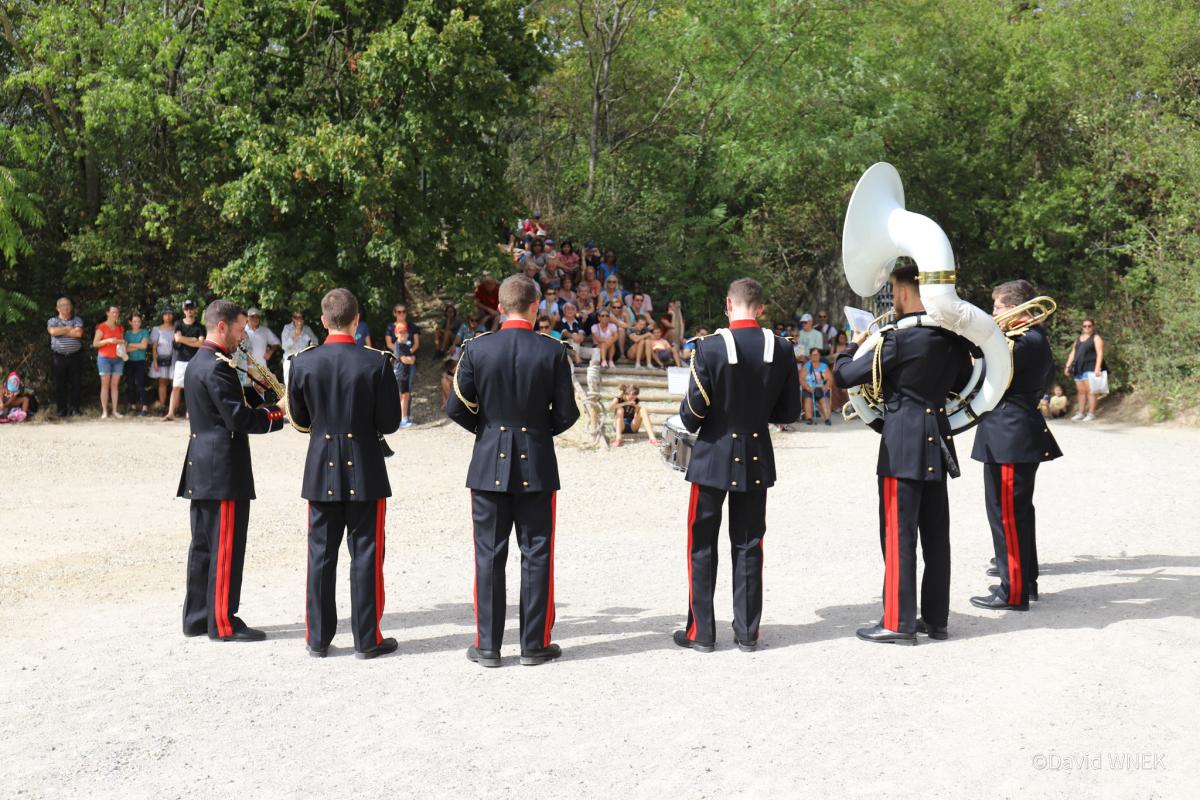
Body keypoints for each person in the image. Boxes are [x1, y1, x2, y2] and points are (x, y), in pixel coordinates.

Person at [833, 263, 974, 645]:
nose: (892, 298)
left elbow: (845, 376)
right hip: (938, 440)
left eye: (894, 290)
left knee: (898, 535)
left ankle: (897, 622)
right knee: (935, 535)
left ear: (907, 292)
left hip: (902, 444)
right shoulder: (953, 340)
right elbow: (963, 383)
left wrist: (851, 344)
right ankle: (936, 619)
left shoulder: (897, 340)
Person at [445, 274, 579, 668]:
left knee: (489, 554)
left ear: (500, 308)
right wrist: (537, 432)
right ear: (536, 307)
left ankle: (488, 645)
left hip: (488, 462)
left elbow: (456, 407)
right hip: (536, 460)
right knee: (536, 553)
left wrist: (487, 434)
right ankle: (533, 644)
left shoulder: (477, 348)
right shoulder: (553, 351)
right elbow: (568, 413)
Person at [675, 278, 802, 653]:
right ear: (761, 308)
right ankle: (748, 632)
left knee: (702, 544)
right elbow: (790, 411)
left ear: (728, 304)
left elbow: (692, 415)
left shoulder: (708, 347)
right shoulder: (781, 348)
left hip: (712, 454)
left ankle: (701, 632)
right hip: (755, 454)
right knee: (749, 544)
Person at [287, 288, 402, 659]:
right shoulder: (376, 362)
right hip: (365, 465)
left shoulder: (303, 362)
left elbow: (301, 420)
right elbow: (390, 421)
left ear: (323, 321)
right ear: (357, 320)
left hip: (321, 465)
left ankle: (318, 638)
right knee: (366, 553)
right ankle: (367, 638)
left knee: (320, 555)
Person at [178, 299, 287, 642]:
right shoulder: (217, 365)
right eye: (240, 329)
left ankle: (197, 617)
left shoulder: (202, 361)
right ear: (221, 326)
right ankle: (222, 622)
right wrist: (278, 413)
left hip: (203, 465)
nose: (243, 337)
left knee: (204, 547)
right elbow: (237, 418)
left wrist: (259, 396)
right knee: (225, 547)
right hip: (222, 469)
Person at [969, 279, 1063, 612]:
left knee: (1006, 515)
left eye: (996, 307)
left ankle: (1013, 592)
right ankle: (1026, 582)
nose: (992, 312)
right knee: (1017, 514)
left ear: (1014, 309)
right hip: (1011, 434)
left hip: (1009, 436)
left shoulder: (1022, 342)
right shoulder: (1027, 339)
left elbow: (980, 371)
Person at [164, 300, 204, 421]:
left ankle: (190, 413)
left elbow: (201, 343)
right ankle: (170, 413)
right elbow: (177, 339)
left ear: (195, 309)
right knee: (176, 387)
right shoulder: (178, 324)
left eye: (191, 308)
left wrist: (183, 339)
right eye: (187, 308)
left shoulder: (200, 326)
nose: (189, 310)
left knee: (193, 387)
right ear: (183, 310)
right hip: (181, 360)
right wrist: (193, 339)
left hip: (195, 361)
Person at [47, 297, 85, 418]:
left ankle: (75, 410)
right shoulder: (52, 320)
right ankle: (61, 410)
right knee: (60, 384)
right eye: (63, 305)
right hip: (58, 357)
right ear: (58, 308)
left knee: (76, 384)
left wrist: (61, 331)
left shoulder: (77, 319)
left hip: (75, 356)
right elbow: (52, 332)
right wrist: (69, 329)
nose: (66, 307)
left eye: (68, 304)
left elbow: (78, 333)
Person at [385, 304, 420, 428]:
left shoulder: (411, 327)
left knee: (406, 392)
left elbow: (415, 345)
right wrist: (404, 356)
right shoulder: (397, 342)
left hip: (406, 367)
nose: (401, 314)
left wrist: (409, 354)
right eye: (398, 312)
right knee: (401, 394)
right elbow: (391, 346)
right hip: (400, 369)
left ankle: (404, 417)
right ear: (394, 313)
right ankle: (400, 418)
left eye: (403, 311)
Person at [1064, 318, 1104, 421]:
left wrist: (1097, 367)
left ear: (1093, 327)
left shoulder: (1096, 338)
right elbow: (1073, 353)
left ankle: (1091, 413)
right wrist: (1068, 366)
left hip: (1090, 367)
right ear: (1082, 327)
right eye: (1085, 326)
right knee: (1081, 392)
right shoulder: (1078, 339)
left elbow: (1100, 353)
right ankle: (1081, 412)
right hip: (1078, 367)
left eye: (1089, 326)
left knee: (1091, 391)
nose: (1087, 328)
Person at [93, 304, 125, 419]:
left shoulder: (120, 327)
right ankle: (105, 412)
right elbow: (95, 343)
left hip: (118, 359)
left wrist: (122, 343)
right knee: (105, 385)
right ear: (107, 313)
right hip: (104, 358)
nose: (115, 314)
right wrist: (109, 340)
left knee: (115, 385)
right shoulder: (102, 327)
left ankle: (115, 411)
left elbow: (122, 341)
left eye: (117, 312)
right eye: (113, 312)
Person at [281, 310, 320, 387]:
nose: (298, 319)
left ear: (303, 319)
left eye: (301, 317)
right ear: (292, 318)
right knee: (289, 387)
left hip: (304, 362)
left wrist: (307, 339)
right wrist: (295, 335)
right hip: (290, 362)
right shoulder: (287, 328)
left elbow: (316, 343)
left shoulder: (307, 329)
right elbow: (284, 346)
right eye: (296, 317)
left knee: (303, 387)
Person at [123, 312, 152, 415]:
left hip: (140, 361)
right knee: (130, 384)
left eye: (138, 321)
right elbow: (125, 349)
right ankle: (133, 405)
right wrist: (137, 345)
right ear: (130, 322)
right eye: (134, 321)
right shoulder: (127, 333)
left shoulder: (144, 332)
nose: (136, 323)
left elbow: (144, 346)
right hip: (129, 361)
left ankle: (145, 407)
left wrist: (130, 345)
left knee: (141, 383)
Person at [150, 308, 177, 412]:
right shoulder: (157, 329)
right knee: (162, 382)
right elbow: (154, 347)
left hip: (174, 358)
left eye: (170, 314)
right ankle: (162, 406)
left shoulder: (176, 328)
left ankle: (174, 408)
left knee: (175, 383)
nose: (168, 316)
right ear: (162, 316)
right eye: (165, 314)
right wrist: (155, 361)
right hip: (161, 359)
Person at [801, 347, 833, 426]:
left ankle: (827, 419)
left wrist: (826, 386)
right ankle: (809, 418)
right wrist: (807, 387)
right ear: (810, 356)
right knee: (808, 400)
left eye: (817, 355)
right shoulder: (807, 365)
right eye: (814, 355)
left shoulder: (824, 366)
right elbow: (801, 378)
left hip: (820, 387)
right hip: (809, 388)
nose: (816, 356)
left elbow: (830, 379)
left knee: (824, 401)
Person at [828, 331, 850, 412]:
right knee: (835, 388)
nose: (842, 339)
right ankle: (836, 407)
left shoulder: (848, 346)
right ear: (837, 338)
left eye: (843, 337)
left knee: (845, 389)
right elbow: (829, 359)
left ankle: (846, 406)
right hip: (835, 370)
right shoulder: (834, 347)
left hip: (846, 370)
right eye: (840, 337)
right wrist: (837, 355)